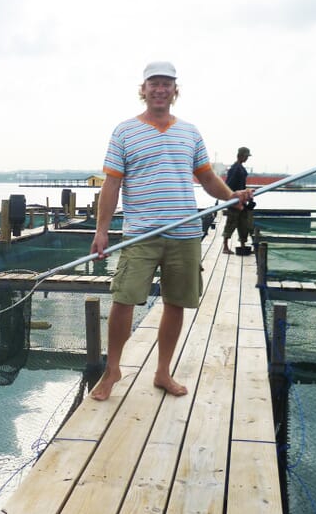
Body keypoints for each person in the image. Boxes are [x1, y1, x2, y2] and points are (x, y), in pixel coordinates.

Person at [89, 61, 253, 401]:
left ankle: (163, 372)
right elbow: (112, 184)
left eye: (167, 84)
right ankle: (112, 370)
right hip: (140, 234)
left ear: (174, 90)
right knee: (123, 300)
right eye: (154, 83)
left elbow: (207, 179)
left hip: (185, 233)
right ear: (143, 90)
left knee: (175, 303)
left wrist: (232, 196)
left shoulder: (190, 132)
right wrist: (101, 230)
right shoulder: (124, 131)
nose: (160, 89)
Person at [222, 146, 254, 254]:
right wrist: (232, 199)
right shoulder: (235, 169)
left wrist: (246, 193)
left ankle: (243, 245)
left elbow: (241, 185)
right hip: (235, 201)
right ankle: (225, 247)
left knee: (243, 223)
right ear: (240, 156)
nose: (247, 158)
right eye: (245, 156)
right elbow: (228, 186)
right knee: (231, 223)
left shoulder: (240, 168)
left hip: (242, 200)